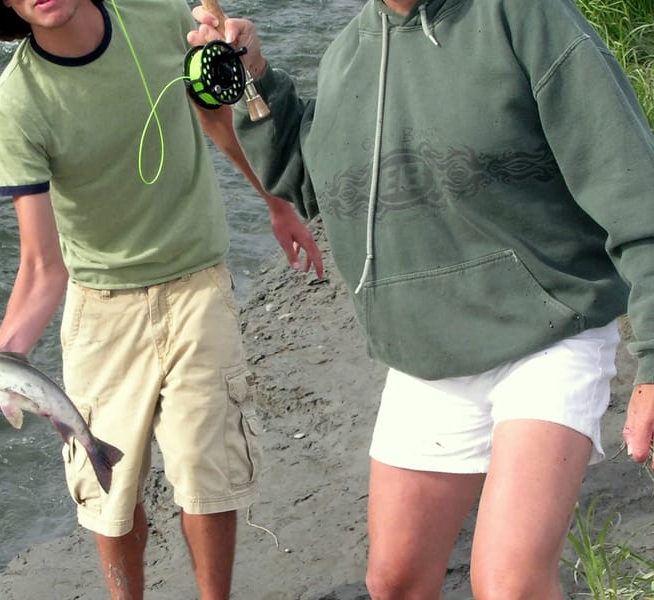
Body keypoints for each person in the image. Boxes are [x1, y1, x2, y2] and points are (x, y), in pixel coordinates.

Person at [190, 1, 654, 598]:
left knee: (508, 581)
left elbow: (633, 188)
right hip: (426, 352)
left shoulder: (526, 17)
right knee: (395, 581)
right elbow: (310, 183)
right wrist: (254, 78)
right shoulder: (349, 54)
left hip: (550, 331)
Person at [0, 0, 323, 599]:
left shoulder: (158, 16)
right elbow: (43, 268)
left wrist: (275, 203)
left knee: (207, 475)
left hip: (198, 284)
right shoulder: (16, 106)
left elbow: (217, 119)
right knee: (108, 498)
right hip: (101, 311)